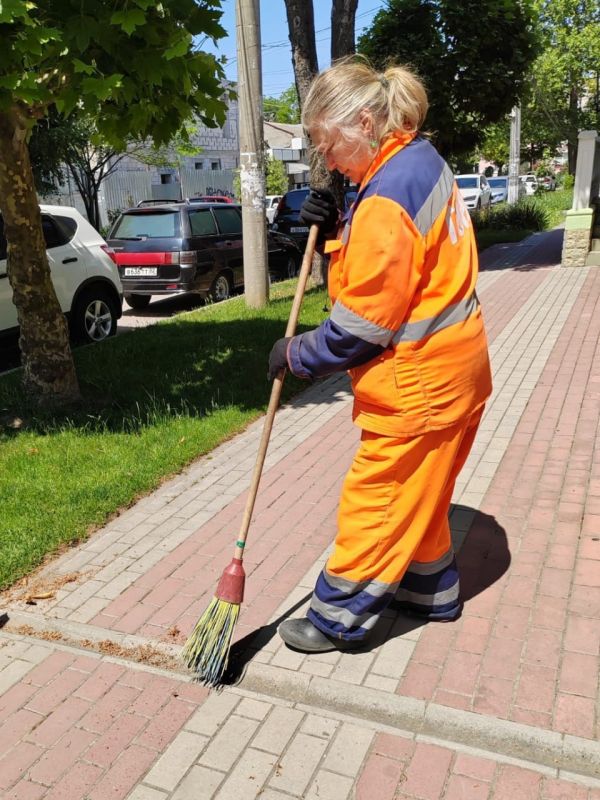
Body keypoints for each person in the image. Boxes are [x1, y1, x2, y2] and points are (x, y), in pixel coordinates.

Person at [268, 57, 492, 654]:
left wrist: (295, 353)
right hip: (459, 370)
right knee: (424, 495)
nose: (327, 160)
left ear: (365, 123)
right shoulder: (418, 161)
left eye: (328, 144)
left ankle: (337, 616)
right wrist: (337, 224)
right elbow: (401, 268)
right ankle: (430, 592)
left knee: (380, 497)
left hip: (418, 385)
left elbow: (359, 329)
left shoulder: (386, 198)